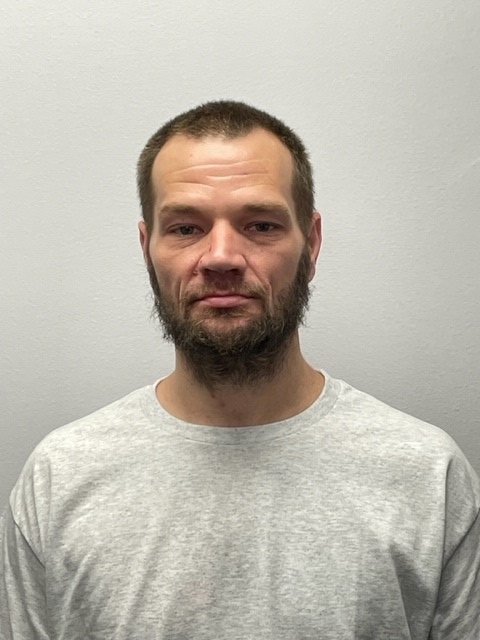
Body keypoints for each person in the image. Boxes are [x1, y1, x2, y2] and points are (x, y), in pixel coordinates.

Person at [0, 100, 479, 640]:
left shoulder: (427, 476)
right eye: (186, 228)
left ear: (312, 243)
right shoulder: (60, 477)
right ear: (146, 247)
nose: (221, 256)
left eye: (260, 225)